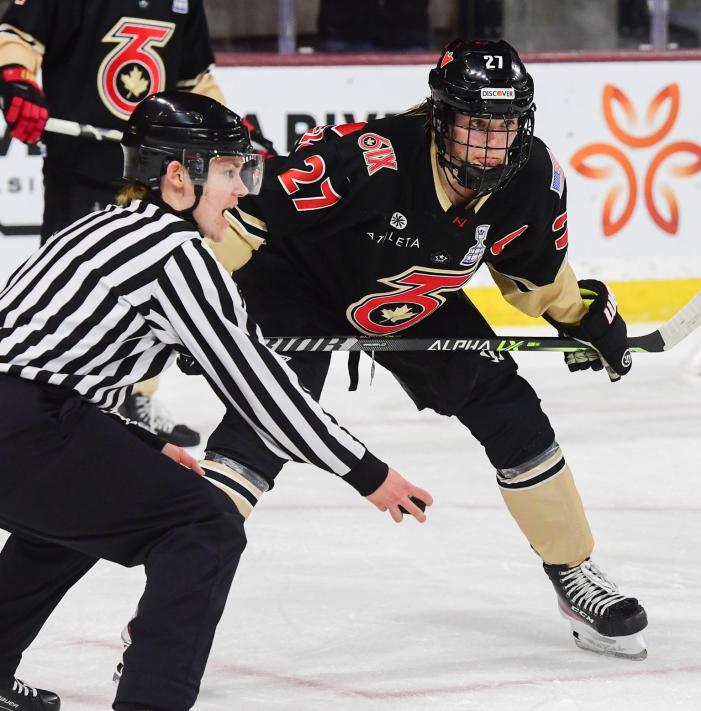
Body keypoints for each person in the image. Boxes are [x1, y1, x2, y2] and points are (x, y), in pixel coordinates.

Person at [205, 38, 648, 659]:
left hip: (407, 296)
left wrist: (585, 316)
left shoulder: (529, 179)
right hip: (296, 286)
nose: (489, 143)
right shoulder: (367, 157)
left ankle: (573, 571)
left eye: (504, 125)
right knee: (266, 425)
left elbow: (533, 279)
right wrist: (182, 305)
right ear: (440, 119)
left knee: (510, 407)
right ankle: (173, 605)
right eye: (474, 124)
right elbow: (240, 221)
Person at [0, 91, 430, 711]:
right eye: (229, 171)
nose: (242, 190)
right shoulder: (176, 257)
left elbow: (63, 367)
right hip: (31, 429)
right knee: (205, 526)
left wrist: (142, 445)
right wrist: (367, 472)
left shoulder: (99, 227)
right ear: (179, 176)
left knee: (64, 527)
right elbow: (262, 389)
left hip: (20, 427)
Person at [0, 0, 237, 447]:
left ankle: (136, 396)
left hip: (157, 175)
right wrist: (20, 85)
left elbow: (192, 79)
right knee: (71, 295)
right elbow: (18, 37)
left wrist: (222, 132)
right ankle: (60, 399)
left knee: (154, 290)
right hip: (80, 169)